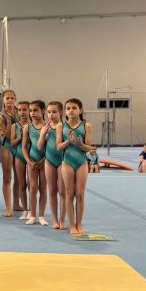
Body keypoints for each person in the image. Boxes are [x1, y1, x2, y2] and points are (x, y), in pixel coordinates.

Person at [56, 98, 92, 236]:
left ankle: (79, 224)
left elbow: (89, 148)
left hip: (81, 162)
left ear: (80, 110)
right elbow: (58, 147)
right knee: (69, 194)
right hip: (67, 162)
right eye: (68, 108)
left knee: (80, 194)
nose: (71, 110)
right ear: (65, 111)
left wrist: (80, 144)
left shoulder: (86, 125)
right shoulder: (61, 126)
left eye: (74, 108)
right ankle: (72, 225)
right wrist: (68, 141)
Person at [37, 101, 66, 229]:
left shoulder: (64, 127)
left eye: (54, 112)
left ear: (61, 112)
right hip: (49, 161)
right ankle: (54, 219)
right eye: (49, 112)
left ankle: (62, 219)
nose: (51, 115)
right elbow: (39, 147)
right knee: (52, 191)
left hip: (62, 161)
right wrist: (43, 134)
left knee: (62, 191)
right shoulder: (45, 127)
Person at [23, 100, 48, 225]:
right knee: (32, 188)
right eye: (31, 110)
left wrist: (45, 160)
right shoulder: (27, 127)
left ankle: (41, 216)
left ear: (43, 111)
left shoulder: (48, 126)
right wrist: (29, 162)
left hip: (45, 161)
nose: (32, 113)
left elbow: (50, 146)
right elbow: (24, 147)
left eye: (35, 110)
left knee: (43, 188)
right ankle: (32, 215)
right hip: (32, 161)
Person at [0, 89, 20, 217]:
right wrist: (10, 120)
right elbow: (8, 135)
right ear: (3, 100)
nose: (10, 100)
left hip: (19, 146)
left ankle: (16, 204)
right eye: (7, 98)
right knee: (7, 178)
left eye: (12, 98)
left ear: (15, 99)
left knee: (19, 177)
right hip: (7, 146)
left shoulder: (21, 112)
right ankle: (8, 208)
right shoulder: (1, 117)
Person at [10, 100, 30, 220]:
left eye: (24, 109)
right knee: (22, 184)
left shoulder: (33, 125)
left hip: (32, 156)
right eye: (20, 110)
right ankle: (25, 210)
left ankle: (32, 210)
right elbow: (12, 143)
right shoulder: (15, 126)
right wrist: (20, 137)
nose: (22, 112)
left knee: (32, 186)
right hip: (19, 156)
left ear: (29, 110)